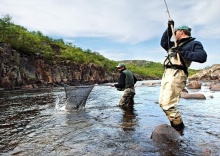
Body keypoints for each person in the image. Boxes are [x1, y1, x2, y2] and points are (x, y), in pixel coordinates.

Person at [159, 19, 207, 134]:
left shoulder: (194, 43)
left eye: (175, 32)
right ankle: (176, 128)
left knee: (167, 105)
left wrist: (181, 52)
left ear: (181, 32)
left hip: (178, 74)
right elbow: (163, 42)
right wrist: (169, 28)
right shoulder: (174, 44)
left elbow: (202, 57)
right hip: (167, 74)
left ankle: (179, 129)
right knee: (162, 103)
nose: (174, 34)